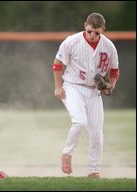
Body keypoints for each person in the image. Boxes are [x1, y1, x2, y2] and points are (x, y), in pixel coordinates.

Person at [52, 13, 120, 178]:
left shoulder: (109, 46)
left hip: (93, 90)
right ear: (85, 26)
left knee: (97, 132)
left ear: (103, 30)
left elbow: (114, 71)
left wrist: (110, 87)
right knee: (80, 121)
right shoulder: (72, 41)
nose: (92, 35)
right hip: (73, 86)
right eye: (90, 31)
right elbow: (57, 64)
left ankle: (93, 171)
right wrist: (58, 87)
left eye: (97, 32)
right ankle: (67, 153)